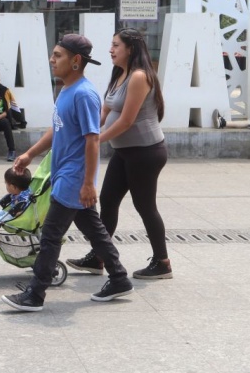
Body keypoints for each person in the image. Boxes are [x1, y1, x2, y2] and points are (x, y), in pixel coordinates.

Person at [2, 34, 133, 312]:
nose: (52, 59)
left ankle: (35, 294)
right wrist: (30, 154)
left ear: (75, 61)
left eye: (58, 55)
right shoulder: (66, 90)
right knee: (94, 231)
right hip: (66, 174)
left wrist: (88, 183)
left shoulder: (84, 94)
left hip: (74, 177)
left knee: (50, 235)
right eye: (52, 54)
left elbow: (92, 139)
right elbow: (57, 128)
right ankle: (119, 277)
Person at [67, 28, 172, 280]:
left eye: (116, 45)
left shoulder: (139, 76)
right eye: (111, 45)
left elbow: (126, 121)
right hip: (125, 152)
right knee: (109, 200)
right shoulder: (119, 74)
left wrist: (95, 141)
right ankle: (98, 256)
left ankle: (162, 262)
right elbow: (104, 113)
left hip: (145, 152)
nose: (111, 50)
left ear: (130, 49)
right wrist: (83, 133)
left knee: (145, 206)